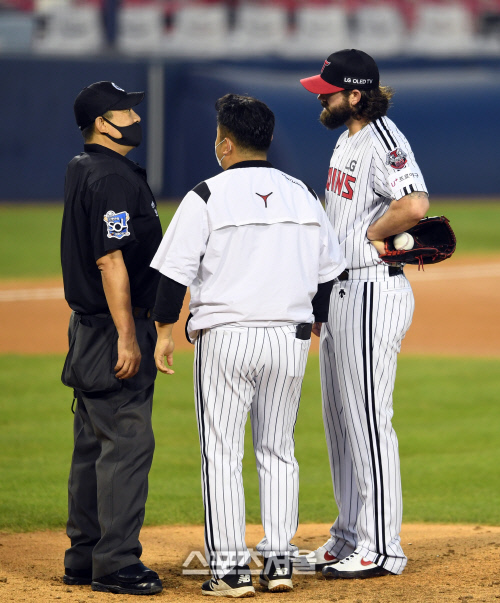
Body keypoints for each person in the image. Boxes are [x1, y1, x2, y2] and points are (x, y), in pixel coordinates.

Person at [149, 93, 345, 598]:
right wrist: (317, 320)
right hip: (289, 341)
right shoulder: (301, 193)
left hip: (227, 342)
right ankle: (279, 563)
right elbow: (328, 274)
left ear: (226, 143)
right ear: (269, 139)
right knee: (278, 450)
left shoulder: (207, 195)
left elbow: (172, 277)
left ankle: (230, 572)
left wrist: (165, 332)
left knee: (221, 452)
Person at [295, 49, 429, 579]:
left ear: (355, 94)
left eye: (328, 90)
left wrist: (371, 235)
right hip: (343, 294)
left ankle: (382, 547)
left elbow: (414, 204)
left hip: (375, 293)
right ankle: (348, 535)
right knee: (340, 421)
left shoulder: (384, 138)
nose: (320, 97)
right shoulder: (345, 137)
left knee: (370, 421)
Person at [60, 81, 163, 596]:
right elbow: (110, 259)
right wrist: (128, 336)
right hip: (113, 329)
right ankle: (117, 563)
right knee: (125, 445)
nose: (132, 116)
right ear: (103, 123)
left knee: (91, 446)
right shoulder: (113, 178)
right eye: (124, 110)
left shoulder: (83, 168)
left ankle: (83, 556)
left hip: (86, 330)